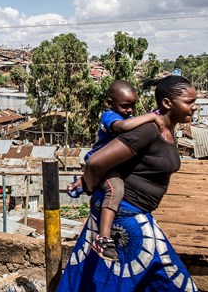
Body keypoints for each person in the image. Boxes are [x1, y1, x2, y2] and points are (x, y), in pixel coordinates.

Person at [57, 75, 199, 292]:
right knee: (164, 278)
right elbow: (95, 162)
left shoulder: (165, 130)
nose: (195, 107)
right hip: (126, 218)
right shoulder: (148, 130)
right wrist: (89, 185)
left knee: (105, 280)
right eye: (189, 102)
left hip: (132, 214)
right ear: (167, 103)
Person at [67, 80, 164, 261]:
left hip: (113, 165)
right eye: (126, 106)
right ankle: (103, 238)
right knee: (115, 190)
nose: (130, 111)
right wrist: (152, 117)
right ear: (110, 103)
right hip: (103, 164)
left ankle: (80, 184)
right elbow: (123, 127)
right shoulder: (109, 116)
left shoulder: (126, 116)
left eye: (133, 106)